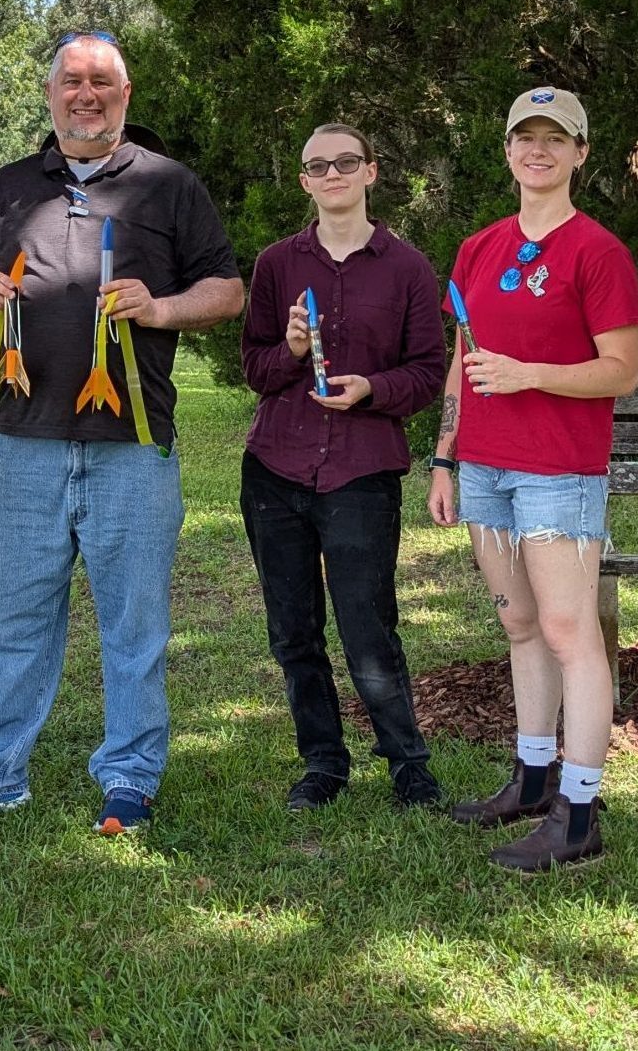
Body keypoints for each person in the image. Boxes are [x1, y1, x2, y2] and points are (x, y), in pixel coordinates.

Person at [0, 31, 245, 835]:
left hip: (131, 444)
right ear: (50, 94)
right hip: (20, 440)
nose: (85, 94)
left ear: (124, 96)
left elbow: (226, 290)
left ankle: (129, 776)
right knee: (8, 619)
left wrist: (159, 308)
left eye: (101, 81)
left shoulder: (168, 184)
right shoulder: (10, 184)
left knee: (134, 623)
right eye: (71, 80)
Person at [426, 86, 638, 873]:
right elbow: (461, 354)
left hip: (557, 470)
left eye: (556, 138)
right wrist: (444, 454)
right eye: (525, 136)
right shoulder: (478, 248)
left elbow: (621, 370)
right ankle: (529, 777)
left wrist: (530, 374)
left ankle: (578, 813)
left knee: (566, 631)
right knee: (519, 623)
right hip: (484, 466)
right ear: (507, 150)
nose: (538, 150)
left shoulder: (597, 251)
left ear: (580, 153)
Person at [239, 123, 448, 812]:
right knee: (293, 632)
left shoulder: (407, 267)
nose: (332, 174)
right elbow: (254, 368)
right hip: (276, 469)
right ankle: (323, 763)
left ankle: (408, 766)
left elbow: (427, 372)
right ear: (304, 180)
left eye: (346, 162)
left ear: (370, 172)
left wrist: (371, 389)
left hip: (361, 472)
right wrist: (293, 352)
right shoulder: (276, 264)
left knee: (367, 626)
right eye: (318, 166)